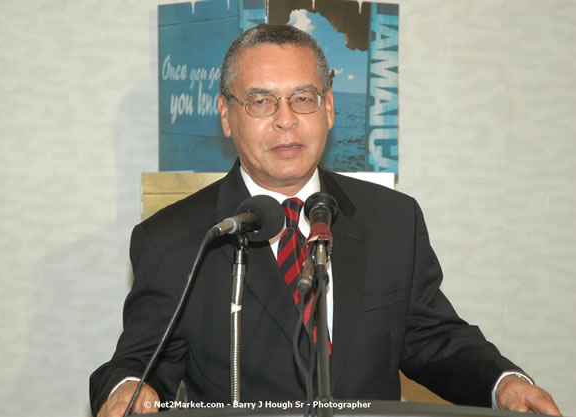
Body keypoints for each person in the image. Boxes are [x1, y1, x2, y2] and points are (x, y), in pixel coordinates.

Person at [90, 24, 561, 417]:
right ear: (226, 115)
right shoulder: (175, 237)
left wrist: (503, 383)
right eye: (260, 101)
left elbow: (430, 337)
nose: (286, 121)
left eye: (303, 98)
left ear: (330, 107)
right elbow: (139, 363)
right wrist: (127, 389)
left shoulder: (393, 218)